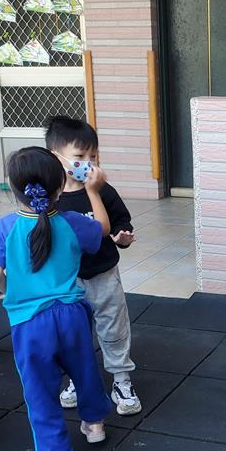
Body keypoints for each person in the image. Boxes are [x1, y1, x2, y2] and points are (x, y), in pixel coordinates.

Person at [0, 146, 112, 451]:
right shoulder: (71, 222)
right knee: (84, 370)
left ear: (13, 187)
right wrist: (93, 191)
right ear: (59, 187)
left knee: (40, 390)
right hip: (72, 314)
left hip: (30, 322)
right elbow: (102, 228)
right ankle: (94, 423)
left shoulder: (5, 227)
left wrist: (10, 292)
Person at [45, 116, 140, 415]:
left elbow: (121, 222)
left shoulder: (103, 190)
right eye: (79, 156)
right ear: (56, 158)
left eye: (93, 156)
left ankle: (121, 380)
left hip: (104, 273)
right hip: (68, 280)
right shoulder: (50, 197)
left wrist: (123, 237)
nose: (87, 163)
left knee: (114, 327)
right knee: (73, 333)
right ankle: (77, 379)